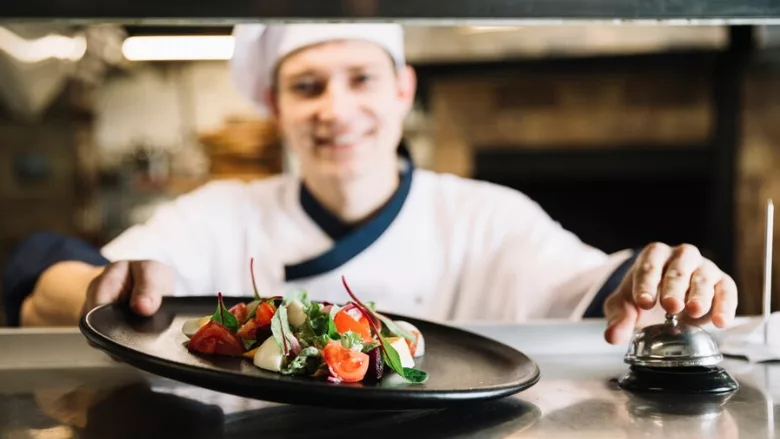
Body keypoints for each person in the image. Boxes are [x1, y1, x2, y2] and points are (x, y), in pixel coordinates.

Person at [13, 23, 737, 345]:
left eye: (361, 79)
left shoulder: (485, 216)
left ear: (402, 91)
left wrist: (661, 274)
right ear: (276, 108)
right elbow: (46, 273)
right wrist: (93, 286)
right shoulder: (218, 216)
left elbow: (596, 287)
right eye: (307, 86)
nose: (336, 108)